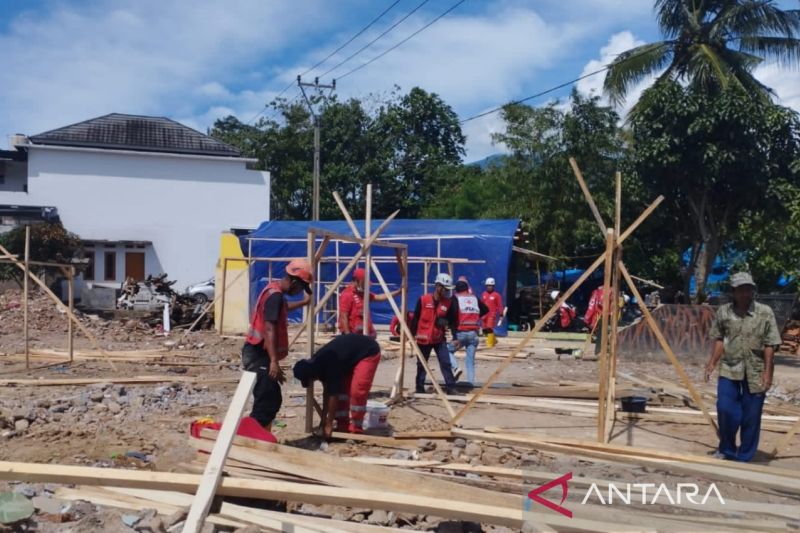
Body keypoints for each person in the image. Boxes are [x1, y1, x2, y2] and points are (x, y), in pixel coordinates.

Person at [704, 272, 781, 462]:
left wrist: (768, 373)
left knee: (751, 415)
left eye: (748, 289)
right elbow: (719, 339)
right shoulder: (724, 312)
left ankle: (745, 455)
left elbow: (770, 345)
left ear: (753, 290)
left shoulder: (765, 312)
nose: (745, 293)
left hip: (755, 370)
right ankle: (727, 449)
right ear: (733, 291)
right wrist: (712, 363)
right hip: (730, 367)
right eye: (741, 289)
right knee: (725, 409)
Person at [241, 258, 313, 431]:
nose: (299, 292)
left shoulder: (274, 291)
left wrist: (303, 302)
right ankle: (253, 436)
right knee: (267, 400)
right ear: (294, 282)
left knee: (270, 397)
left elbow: (283, 307)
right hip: (259, 353)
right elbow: (269, 329)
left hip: (260, 352)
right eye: (301, 288)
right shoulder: (275, 296)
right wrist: (274, 361)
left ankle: (260, 435)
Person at [293, 334, 381, 439]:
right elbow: (327, 393)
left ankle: (356, 430)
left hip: (368, 351)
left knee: (357, 391)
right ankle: (342, 426)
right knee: (343, 393)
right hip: (348, 357)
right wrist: (323, 421)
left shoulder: (328, 366)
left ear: (312, 376)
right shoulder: (316, 365)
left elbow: (333, 395)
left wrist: (329, 424)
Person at [411, 273, 458, 394]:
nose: (447, 292)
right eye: (445, 289)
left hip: (439, 339)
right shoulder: (423, 300)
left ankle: (451, 387)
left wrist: (448, 326)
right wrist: (411, 336)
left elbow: (452, 321)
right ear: (438, 286)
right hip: (423, 338)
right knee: (422, 364)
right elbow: (415, 318)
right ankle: (419, 387)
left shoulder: (448, 303)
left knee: (446, 362)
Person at [448, 279, 490, 385]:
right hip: (474, 334)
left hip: (461, 332)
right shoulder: (474, 298)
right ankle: (471, 383)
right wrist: (475, 317)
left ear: (456, 289)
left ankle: (456, 368)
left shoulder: (455, 298)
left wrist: (453, 334)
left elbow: (451, 317)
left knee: (447, 351)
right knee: (470, 361)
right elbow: (485, 309)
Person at [338, 267, 400, 337]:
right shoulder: (347, 294)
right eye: (364, 282)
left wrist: (398, 292)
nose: (365, 285)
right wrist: (348, 335)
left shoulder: (361, 293)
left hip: (364, 332)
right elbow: (343, 316)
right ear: (357, 280)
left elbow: (378, 297)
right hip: (353, 334)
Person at [480, 277, 503, 348]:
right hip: (484, 315)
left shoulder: (497, 295)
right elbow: (481, 304)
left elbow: (500, 305)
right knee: (484, 330)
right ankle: (494, 339)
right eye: (488, 285)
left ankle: (490, 344)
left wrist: (501, 314)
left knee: (490, 328)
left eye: (490, 286)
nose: (489, 287)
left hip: (491, 315)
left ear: (493, 286)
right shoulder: (483, 294)